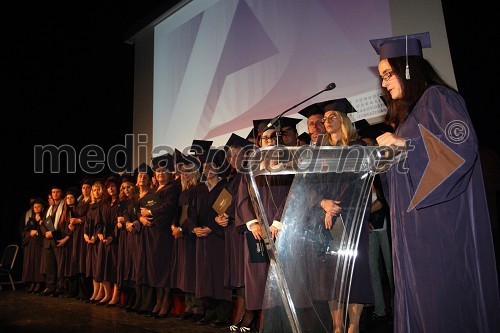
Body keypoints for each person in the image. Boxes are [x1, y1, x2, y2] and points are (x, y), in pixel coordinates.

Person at [369, 31, 500, 332]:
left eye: (388, 74)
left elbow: (461, 147)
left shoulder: (438, 98)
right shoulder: (409, 116)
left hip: (439, 231)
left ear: (407, 68)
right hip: (412, 232)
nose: (385, 84)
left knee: (442, 308)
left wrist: (406, 147)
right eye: (382, 78)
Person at [317, 99, 374, 333]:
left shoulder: (357, 147)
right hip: (324, 217)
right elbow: (313, 184)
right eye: (325, 118)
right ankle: (337, 326)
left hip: (352, 215)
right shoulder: (320, 151)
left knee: (354, 270)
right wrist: (323, 203)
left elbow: (359, 181)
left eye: (333, 116)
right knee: (332, 272)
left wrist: (335, 206)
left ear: (344, 119)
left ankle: (354, 326)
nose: (327, 121)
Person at [139, 153, 181, 318]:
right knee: (154, 268)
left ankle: (165, 302)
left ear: (170, 173)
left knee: (164, 268)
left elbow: (169, 208)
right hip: (151, 234)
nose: (160, 174)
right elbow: (138, 207)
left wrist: (149, 211)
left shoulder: (173, 188)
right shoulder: (153, 191)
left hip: (164, 234)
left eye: (163, 171)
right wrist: (141, 217)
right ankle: (158, 300)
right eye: (157, 171)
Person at [39, 184, 66, 297]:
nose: (55, 194)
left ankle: (60, 288)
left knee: (59, 265)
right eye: (53, 192)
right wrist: (45, 232)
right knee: (50, 265)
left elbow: (63, 223)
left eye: (57, 192)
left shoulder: (64, 207)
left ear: (61, 193)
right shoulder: (48, 209)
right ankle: (50, 287)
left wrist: (53, 233)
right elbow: (43, 223)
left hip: (58, 239)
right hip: (48, 241)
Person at [21, 197, 46, 294]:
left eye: (38, 206)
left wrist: (37, 232)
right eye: (35, 207)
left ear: (42, 208)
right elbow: (25, 232)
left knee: (38, 263)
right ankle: (32, 283)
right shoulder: (30, 219)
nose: (36, 208)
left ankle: (38, 283)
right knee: (31, 263)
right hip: (31, 245)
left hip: (39, 245)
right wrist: (30, 233)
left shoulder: (44, 218)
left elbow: (46, 230)